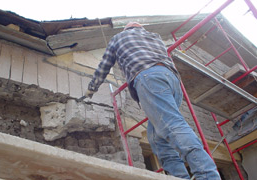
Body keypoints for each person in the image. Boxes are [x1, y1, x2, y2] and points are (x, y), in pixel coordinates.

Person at [85, 22, 220, 180]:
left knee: (173, 125)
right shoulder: (155, 37)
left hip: (150, 78)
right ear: (140, 29)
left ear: (126, 29)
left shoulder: (118, 37)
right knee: (157, 138)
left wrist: (91, 88)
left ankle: (207, 175)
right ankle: (179, 176)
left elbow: (105, 65)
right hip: (172, 81)